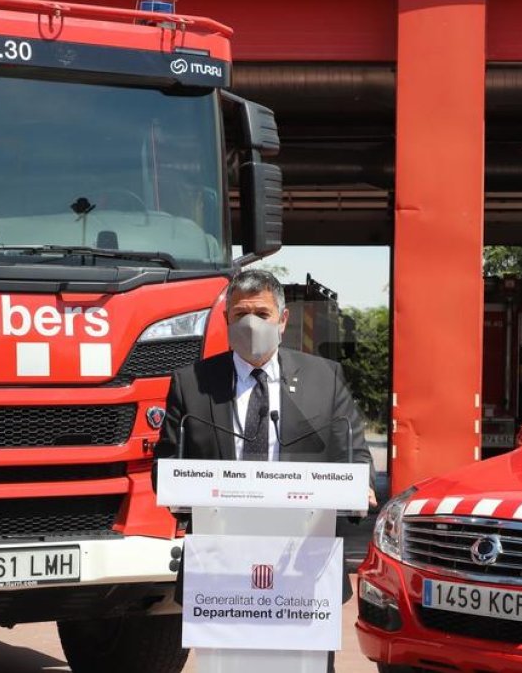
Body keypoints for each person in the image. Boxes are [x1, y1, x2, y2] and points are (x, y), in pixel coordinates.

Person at [153, 269, 375, 672]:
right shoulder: (192, 384)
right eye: (239, 315)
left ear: (283, 320)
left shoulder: (324, 379)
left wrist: (360, 487)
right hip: (221, 575)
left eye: (261, 313)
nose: (249, 324)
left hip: (303, 571)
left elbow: (354, 456)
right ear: (225, 322)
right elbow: (167, 467)